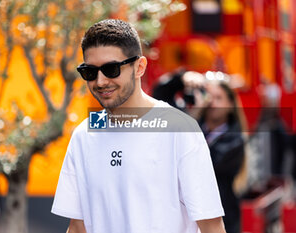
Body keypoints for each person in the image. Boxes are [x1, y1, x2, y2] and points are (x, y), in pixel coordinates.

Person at [52, 19, 226, 233]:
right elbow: (78, 227)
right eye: (90, 72)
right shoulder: (84, 134)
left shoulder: (179, 129)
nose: (100, 81)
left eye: (111, 69)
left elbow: (211, 225)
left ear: (139, 67)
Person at [153, 71, 246, 233]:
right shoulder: (191, 121)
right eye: (209, 96)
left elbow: (198, 161)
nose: (212, 103)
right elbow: (159, 95)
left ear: (231, 104)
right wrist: (182, 79)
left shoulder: (235, 139)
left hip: (220, 220)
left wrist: (191, 120)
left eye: (219, 98)